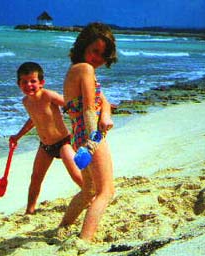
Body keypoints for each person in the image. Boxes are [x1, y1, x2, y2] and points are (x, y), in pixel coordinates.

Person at [59, 22, 117, 242]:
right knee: (106, 191)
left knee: (88, 190)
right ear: (83, 45)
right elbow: (88, 110)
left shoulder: (78, 70)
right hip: (88, 136)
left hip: (78, 135)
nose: (98, 58)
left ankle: (63, 226)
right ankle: (84, 241)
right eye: (95, 51)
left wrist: (107, 115)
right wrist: (93, 143)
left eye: (103, 54)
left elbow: (102, 102)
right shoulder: (85, 69)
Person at [9, 61, 83, 214]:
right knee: (36, 178)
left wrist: (82, 123)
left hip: (64, 142)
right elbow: (32, 121)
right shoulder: (26, 101)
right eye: (24, 82)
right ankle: (30, 210)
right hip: (45, 146)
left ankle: (91, 194)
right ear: (19, 84)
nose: (29, 85)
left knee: (75, 173)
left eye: (33, 81)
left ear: (41, 82)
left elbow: (70, 104)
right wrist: (18, 136)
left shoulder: (48, 95)